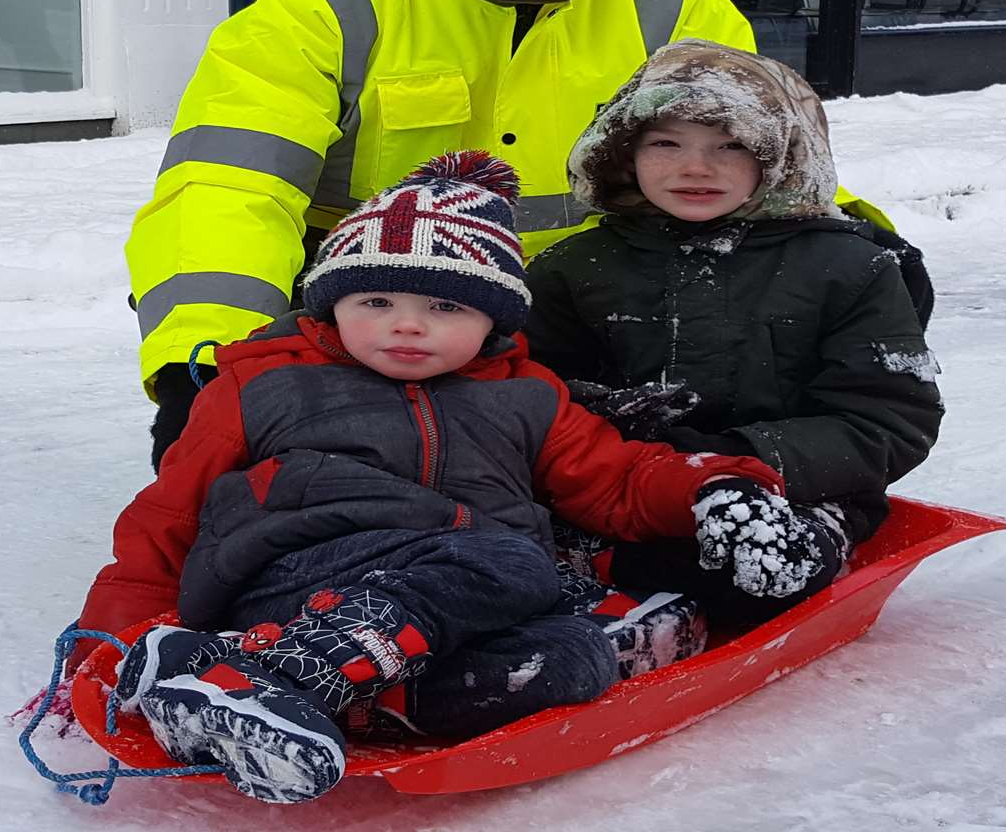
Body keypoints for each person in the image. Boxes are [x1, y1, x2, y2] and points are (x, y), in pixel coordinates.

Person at [80, 153, 825, 804]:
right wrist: (118, 638)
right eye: (376, 301)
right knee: (509, 558)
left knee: (571, 659)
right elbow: (167, 516)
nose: (407, 325)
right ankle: (272, 672)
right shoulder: (265, 386)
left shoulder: (526, 396)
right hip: (298, 574)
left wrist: (713, 488)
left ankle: (297, 706)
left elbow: (617, 479)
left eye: (443, 306)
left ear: (493, 321)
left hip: (452, 607)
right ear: (331, 303)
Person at [132, 0, 786, 473]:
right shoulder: (328, 0)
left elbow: (763, 164)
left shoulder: (676, 3)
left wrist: (855, 246)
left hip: (585, 327)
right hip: (372, 323)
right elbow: (228, 186)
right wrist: (204, 365)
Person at [523, 40, 946, 627]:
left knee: (756, 569)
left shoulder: (849, 268)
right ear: (624, 154)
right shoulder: (576, 267)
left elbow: (888, 418)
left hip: (794, 492)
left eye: (731, 146)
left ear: (778, 158)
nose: (696, 167)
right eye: (666, 144)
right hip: (622, 484)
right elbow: (529, 389)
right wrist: (605, 429)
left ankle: (658, 633)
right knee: (514, 548)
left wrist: (737, 462)